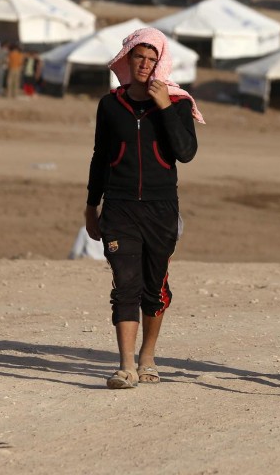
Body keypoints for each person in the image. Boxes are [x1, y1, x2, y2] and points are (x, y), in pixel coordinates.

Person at [85, 27, 204, 389]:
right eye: (140, 57)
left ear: (160, 64)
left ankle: (147, 357)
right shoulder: (110, 104)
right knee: (125, 285)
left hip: (161, 208)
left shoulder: (179, 104)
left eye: (153, 59)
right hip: (119, 207)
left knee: (155, 287)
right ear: (128, 57)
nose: (145, 65)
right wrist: (92, 206)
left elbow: (186, 153)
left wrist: (165, 106)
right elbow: (100, 157)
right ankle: (125, 365)